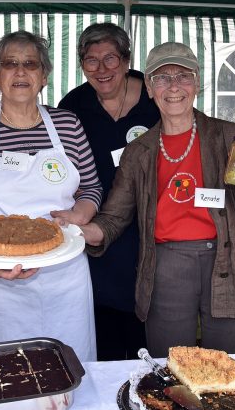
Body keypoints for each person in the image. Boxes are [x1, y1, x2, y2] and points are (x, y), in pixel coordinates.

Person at [80, 42, 235, 357]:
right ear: (150, 90)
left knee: (232, 367)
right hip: (166, 267)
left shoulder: (231, 136)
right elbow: (113, 217)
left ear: (197, 84)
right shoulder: (139, 152)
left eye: (183, 76)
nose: (173, 86)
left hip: (230, 261)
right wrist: (75, 232)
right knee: (170, 369)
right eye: (162, 78)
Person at [0, 31, 103, 362]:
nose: (20, 72)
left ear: (43, 76)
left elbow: (91, 188)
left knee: (66, 366)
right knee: (3, 371)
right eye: (10, 64)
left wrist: (80, 215)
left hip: (63, 271)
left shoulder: (68, 124)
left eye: (30, 63)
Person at [57, 23, 159, 360]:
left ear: (127, 60)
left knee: (147, 318)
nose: (102, 69)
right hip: (99, 226)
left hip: (151, 225)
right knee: (103, 323)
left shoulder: (153, 96)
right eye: (91, 61)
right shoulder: (73, 106)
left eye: (111, 59)